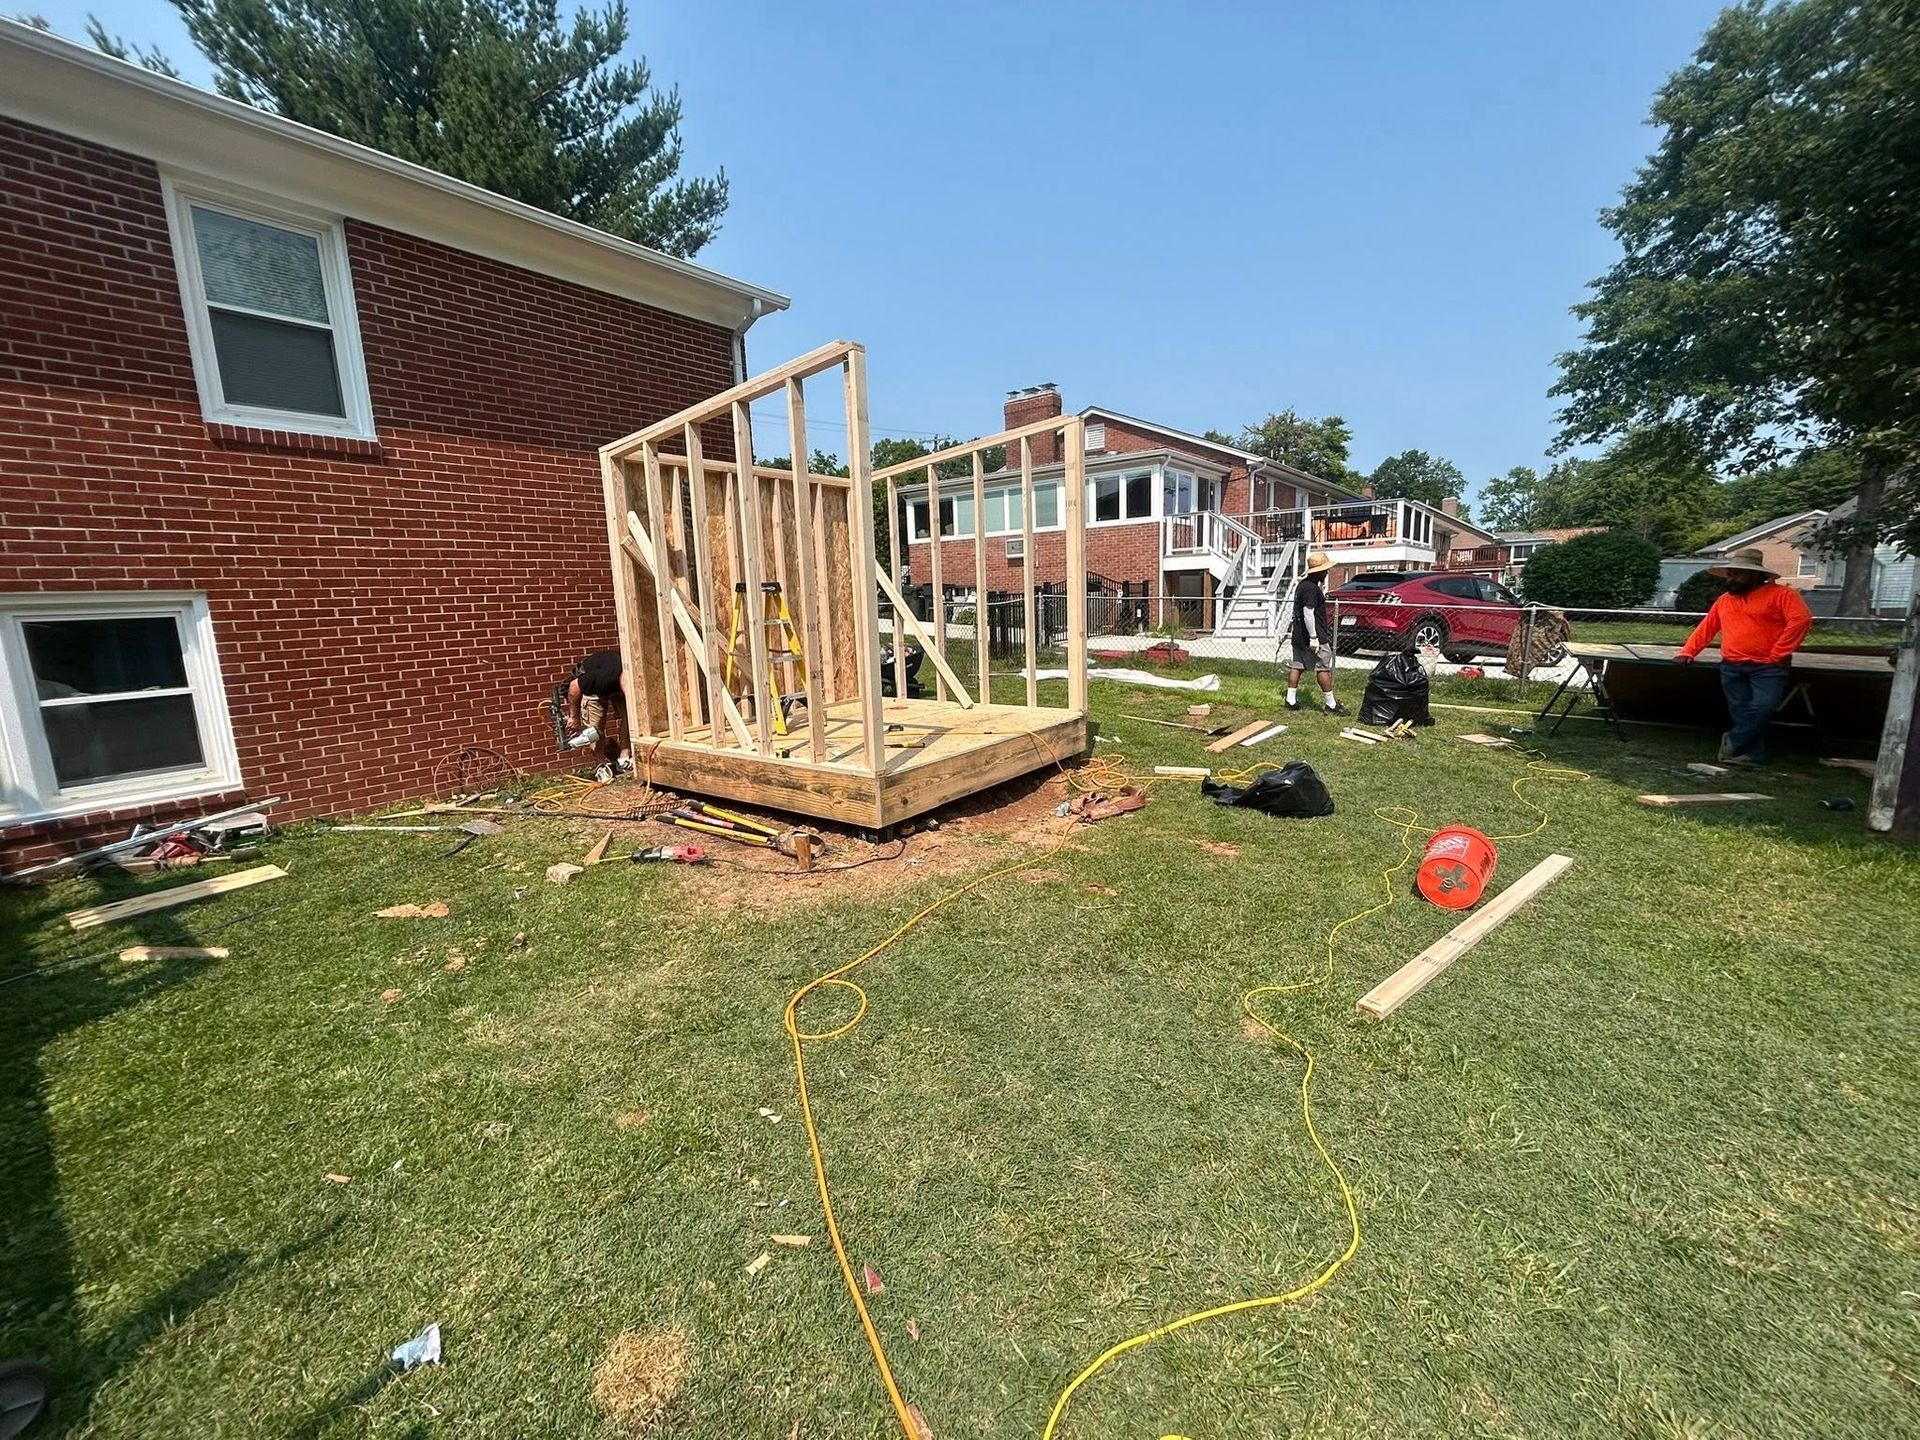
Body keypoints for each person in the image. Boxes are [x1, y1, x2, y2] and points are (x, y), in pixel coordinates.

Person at [1673, 547, 1812, 764]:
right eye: (1730, 574)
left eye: (1738, 574)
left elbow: (1800, 620)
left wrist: (1779, 652)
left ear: (1756, 574)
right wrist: (1687, 652)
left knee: (1764, 705)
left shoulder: (1782, 595)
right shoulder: (1724, 600)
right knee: (1741, 709)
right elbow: (1706, 628)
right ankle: (1751, 755)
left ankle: (1735, 741)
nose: (1731, 578)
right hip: (1732, 665)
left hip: (1769, 666)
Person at [1286, 550, 1348, 715]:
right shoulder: (1311, 589)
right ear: (1318, 571)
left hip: (1298, 635)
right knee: (1323, 668)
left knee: (1297, 665)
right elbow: (1308, 612)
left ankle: (1290, 700)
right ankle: (1331, 704)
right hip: (1313, 636)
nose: (1327, 572)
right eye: (1325, 570)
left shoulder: (1302, 585)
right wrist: (1314, 637)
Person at [562, 648, 633, 773]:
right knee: (595, 727)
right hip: (592, 690)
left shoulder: (633, 674)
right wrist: (574, 717)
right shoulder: (603, 678)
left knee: (631, 716)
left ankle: (624, 757)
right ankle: (600, 766)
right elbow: (574, 687)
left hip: (617, 685)